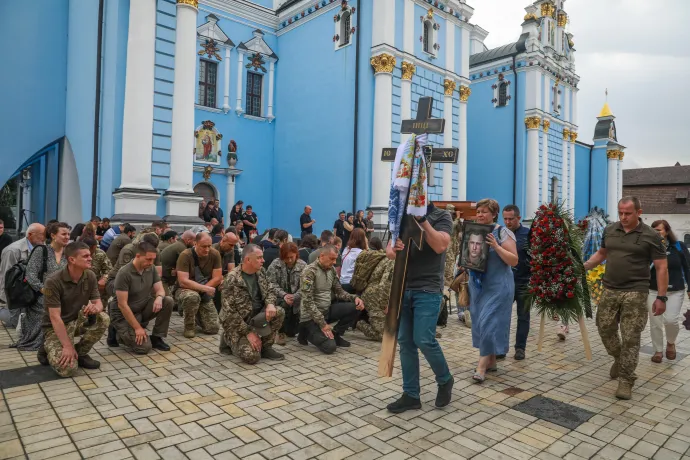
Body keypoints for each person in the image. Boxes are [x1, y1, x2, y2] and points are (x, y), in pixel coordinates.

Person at [584, 197, 668, 400]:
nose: (623, 217)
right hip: (610, 289)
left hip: (636, 291)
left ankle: (626, 379)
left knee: (631, 337)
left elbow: (661, 267)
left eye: (628, 213)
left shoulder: (650, 236)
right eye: (620, 212)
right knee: (604, 328)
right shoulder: (610, 230)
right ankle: (619, 359)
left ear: (639, 212)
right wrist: (584, 266)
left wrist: (661, 298)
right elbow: (602, 253)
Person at [385, 203, 455, 413]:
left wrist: (422, 220)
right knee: (406, 342)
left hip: (428, 288)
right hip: (403, 286)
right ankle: (411, 395)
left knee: (424, 339)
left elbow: (441, 245)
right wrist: (393, 248)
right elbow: (389, 250)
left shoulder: (441, 215)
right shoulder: (400, 217)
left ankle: (445, 379)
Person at [467, 199, 518, 383]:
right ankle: (492, 361)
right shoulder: (473, 230)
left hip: (498, 286)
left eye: (484, 212)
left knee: (488, 321)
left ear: (494, 214)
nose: (480, 214)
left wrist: (496, 246)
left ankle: (481, 367)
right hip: (478, 286)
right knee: (480, 323)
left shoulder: (502, 232)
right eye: (478, 211)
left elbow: (513, 260)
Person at [40, 242, 109, 376]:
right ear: (72, 259)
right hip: (56, 326)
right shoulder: (53, 281)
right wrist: (67, 346)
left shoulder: (90, 276)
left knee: (103, 318)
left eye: (90, 255)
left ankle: (81, 353)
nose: (90, 258)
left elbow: (99, 303)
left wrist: (95, 308)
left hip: (77, 321)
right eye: (85, 256)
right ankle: (47, 347)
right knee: (68, 370)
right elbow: (54, 317)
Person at [220, 244, 285, 363]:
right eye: (259, 257)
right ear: (248, 259)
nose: (263, 260)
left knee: (278, 311)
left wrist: (270, 304)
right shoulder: (231, 279)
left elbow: (270, 289)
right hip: (238, 323)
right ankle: (227, 338)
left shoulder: (261, 272)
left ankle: (266, 347)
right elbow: (229, 314)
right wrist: (248, 333)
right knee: (252, 357)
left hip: (256, 317)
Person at [16, 222, 71, 353]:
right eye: (64, 234)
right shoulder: (41, 251)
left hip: (62, 295)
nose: (67, 237)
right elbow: (30, 275)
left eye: (69, 234)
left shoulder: (68, 253)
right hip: (42, 295)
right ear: (53, 235)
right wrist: (46, 291)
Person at [299, 245, 364, 353]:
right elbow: (307, 301)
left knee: (356, 307)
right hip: (311, 317)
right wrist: (323, 324)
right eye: (332, 259)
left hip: (326, 311)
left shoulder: (331, 270)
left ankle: (335, 334)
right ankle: (306, 332)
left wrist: (355, 298)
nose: (334, 262)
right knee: (330, 347)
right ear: (322, 256)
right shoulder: (309, 271)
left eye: (335, 259)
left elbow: (339, 292)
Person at [112, 241, 173, 354]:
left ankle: (157, 337)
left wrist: (159, 297)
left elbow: (160, 290)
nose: (151, 262)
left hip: (142, 308)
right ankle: (117, 332)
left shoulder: (151, 268)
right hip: (124, 314)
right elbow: (122, 305)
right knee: (143, 348)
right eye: (148, 259)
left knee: (167, 301)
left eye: (153, 259)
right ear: (138, 256)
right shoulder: (124, 273)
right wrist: (138, 329)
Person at [647, 220, 690, 363]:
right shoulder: (648, 248)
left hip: (675, 290)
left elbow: (688, 268)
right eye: (653, 230)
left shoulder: (679, 247)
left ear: (666, 231)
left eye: (659, 230)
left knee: (671, 320)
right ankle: (658, 351)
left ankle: (671, 343)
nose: (656, 233)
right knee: (655, 322)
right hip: (652, 290)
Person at [175, 232, 222, 338]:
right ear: (195, 243)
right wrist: (204, 288)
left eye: (209, 246)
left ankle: (196, 313)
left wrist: (203, 290)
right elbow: (183, 281)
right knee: (192, 297)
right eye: (203, 246)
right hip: (185, 290)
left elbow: (217, 277)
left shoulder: (215, 254)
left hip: (204, 290)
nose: (207, 249)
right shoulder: (185, 255)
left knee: (213, 328)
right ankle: (189, 326)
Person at [0, 223, 45, 328]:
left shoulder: (42, 247)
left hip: (33, 293)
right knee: (17, 324)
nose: (44, 237)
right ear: (30, 234)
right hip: (17, 295)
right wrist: (9, 303)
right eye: (42, 234)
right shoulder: (13, 250)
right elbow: (6, 280)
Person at [502, 205, 531, 361]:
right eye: (505, 219)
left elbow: (535, 257)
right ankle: (501, 348)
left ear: (518, 218)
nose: (507, 222)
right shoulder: (501, 233)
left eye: (510, 219)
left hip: (524, 282)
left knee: (523, 316)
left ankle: (520, 348)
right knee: (502, 316)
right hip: (505, 282)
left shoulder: (528, 235)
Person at [349, 248, 393, 341]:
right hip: (374, 298)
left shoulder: (388, 259)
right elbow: (384, 285)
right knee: (384, 336)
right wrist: (385, 305)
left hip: (376, 295)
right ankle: (358, 322)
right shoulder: (392, 261)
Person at [267, 242, 306, 345]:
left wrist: (295, 296)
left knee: (292, 332)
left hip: (297, 299)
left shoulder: (303, 266)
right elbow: (270, 283)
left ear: (296, 254)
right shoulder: (275, 264)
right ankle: (280, 332)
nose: (289, 260)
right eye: (286, 257)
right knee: (283, 306)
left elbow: (306, 286)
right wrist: (284, 295)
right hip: (280, 298)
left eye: (291, 257)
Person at [82, 237, 112, 304]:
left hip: (96, 285)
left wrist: (104, 278)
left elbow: (109, 269)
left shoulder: (100, 254)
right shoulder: (76, 254)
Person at [340, 228, 368, 293]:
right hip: (352, 284)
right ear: (362, 239)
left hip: (342, 282)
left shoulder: (346, 249)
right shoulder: (361, 253)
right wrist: (366, 245)